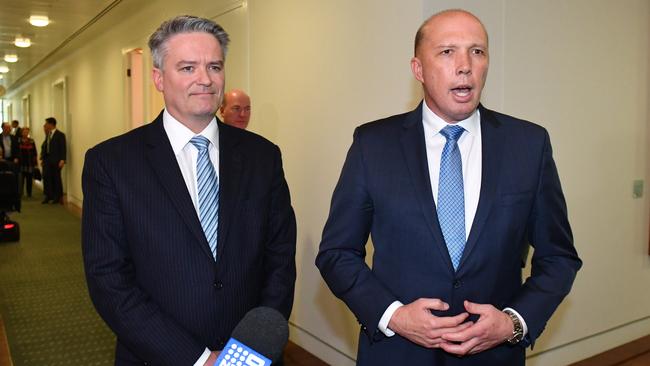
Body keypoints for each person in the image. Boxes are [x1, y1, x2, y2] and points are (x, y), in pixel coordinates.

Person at [315, 9, 581, 365]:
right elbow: (337, 253)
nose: (465, 65)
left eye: (477, 51)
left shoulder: (529, 145)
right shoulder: (372, 145)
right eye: (447, 52)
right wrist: (393, 315)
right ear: (418, 69)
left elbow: (559, 258)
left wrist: (513, 323)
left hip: (494, 357)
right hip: (397, 354)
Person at [81, 15, 296, 366]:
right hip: (157, 356)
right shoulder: (112, 163)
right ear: (158, 79)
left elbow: (280, 260)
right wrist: (197, 359)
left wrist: (248, 351)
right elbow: (109, 280)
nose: (205, 79)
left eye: (214, 66)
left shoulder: (262, 156)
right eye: (187, 68)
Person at [40, 117, 66, 204]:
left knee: (56, 178)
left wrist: (62, 159)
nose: (45, 126)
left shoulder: (60, 135)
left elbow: (63, 148)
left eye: (46, 124)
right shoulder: (48, 134)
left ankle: (57, 196)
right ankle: (48, 195)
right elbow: (45, 146)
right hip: (47, 160)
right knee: (47, 178)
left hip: (56, 161)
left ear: (51, 124)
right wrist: (42, 158)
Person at [18, 127, 38, 198]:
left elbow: (35, 153)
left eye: (27, 132)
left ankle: (29, 193)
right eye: (24, 132)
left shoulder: (31, 141)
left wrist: (35, 163)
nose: (25, 133)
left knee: (29, 179)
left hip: (30, 163)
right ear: (21, 132)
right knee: (21, 180)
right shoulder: (18, 141)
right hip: (21, 163)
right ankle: (20, 193)